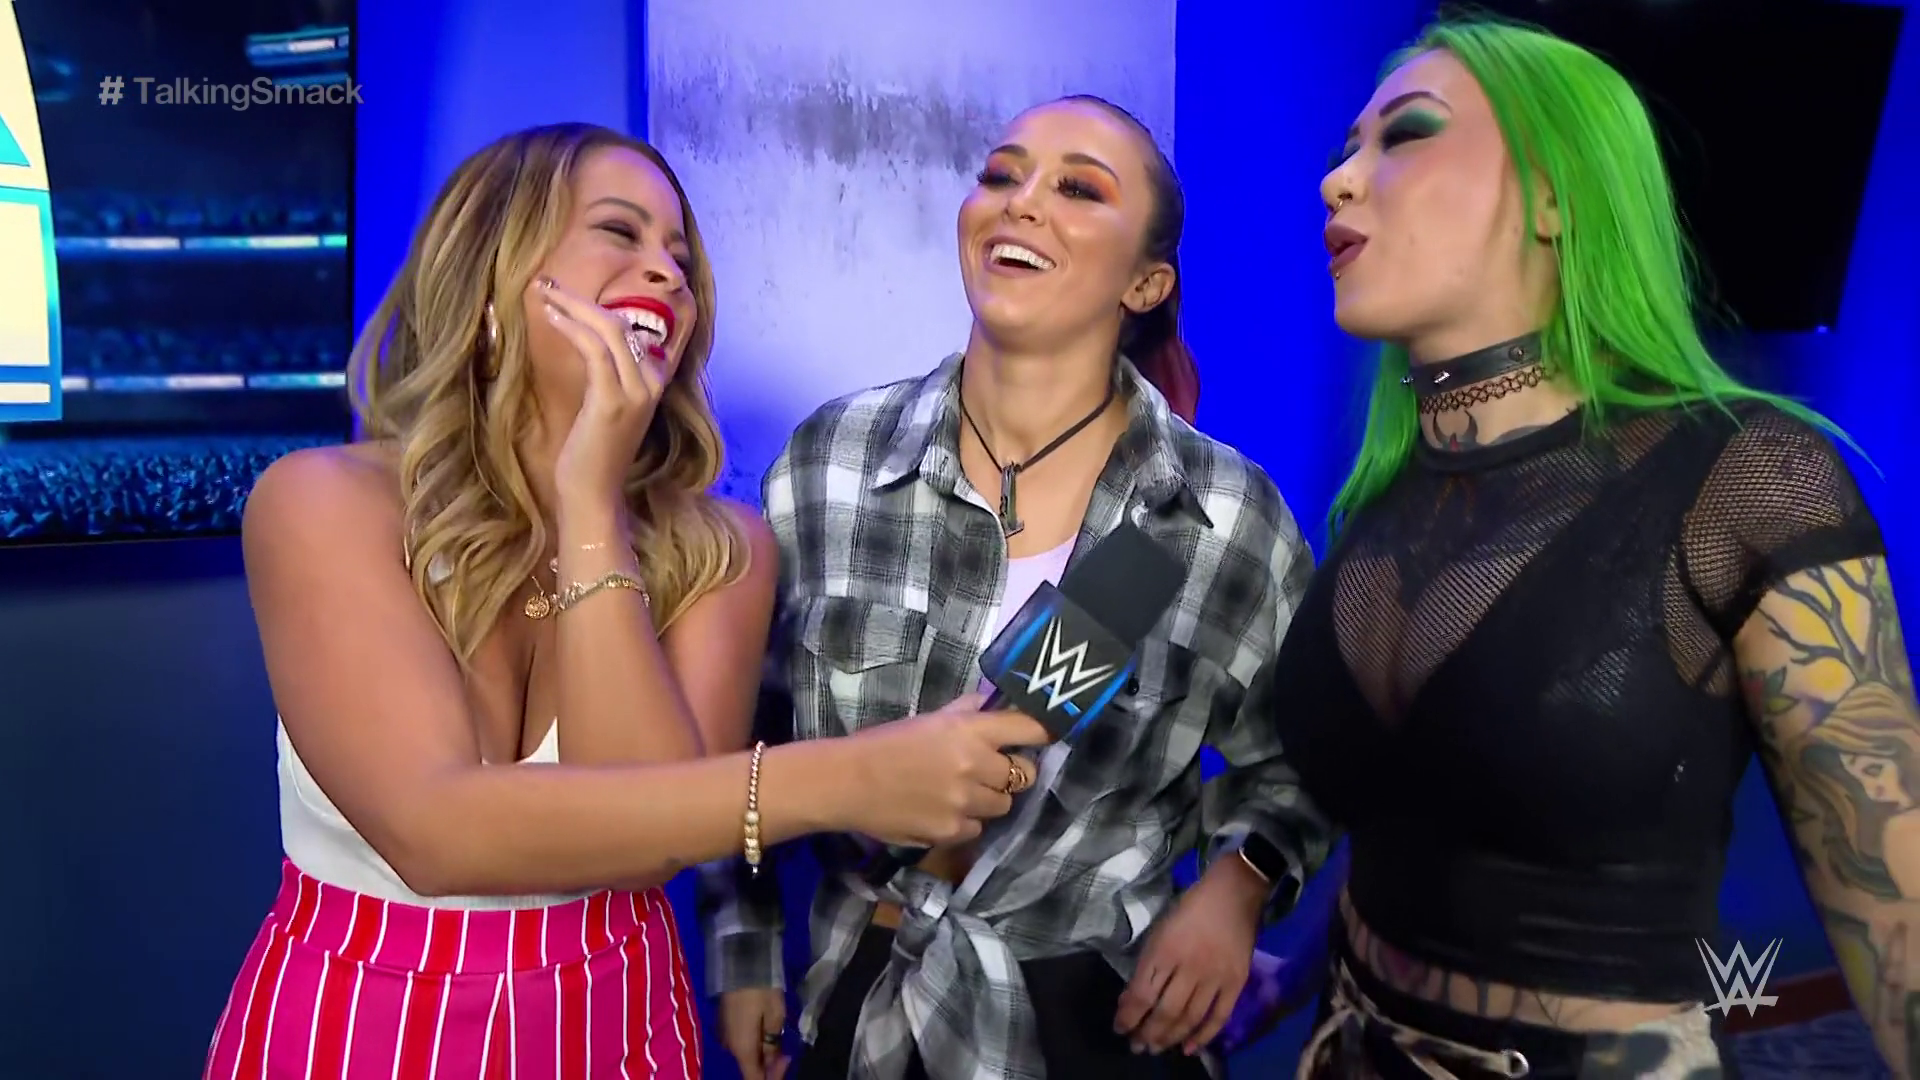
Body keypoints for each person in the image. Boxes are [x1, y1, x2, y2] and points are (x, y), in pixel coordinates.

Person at [201, 122, 1050, 1080]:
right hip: (355, 1024)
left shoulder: (722, 550)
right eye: (620, 231)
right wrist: (849, 779)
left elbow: (643, 841)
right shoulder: (321, 502)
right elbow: (433, 833)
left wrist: (588, 501)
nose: (667, 274)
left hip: (615, 1022)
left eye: (681, 259)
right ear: (491, 273)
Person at [1254, 16, 1916, 1078]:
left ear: (1556, 196)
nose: (1338, 181)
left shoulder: (1746, 481)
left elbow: (1900, 923)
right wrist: (1297, 975)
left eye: (1406, 135)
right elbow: (1424, 806)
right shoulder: (1386, 504)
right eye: (1345, 150)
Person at [700, 95, 1332, 1080]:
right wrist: (743, 949)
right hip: (862, 1001)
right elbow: (740, 742)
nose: (1022, 201)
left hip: (1105, 1023)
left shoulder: (1220, 518)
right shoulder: (831, 462)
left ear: (1147, 282)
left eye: (1078, 188)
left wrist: (1240, 885)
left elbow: (1301, 763)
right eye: (1001, 174)